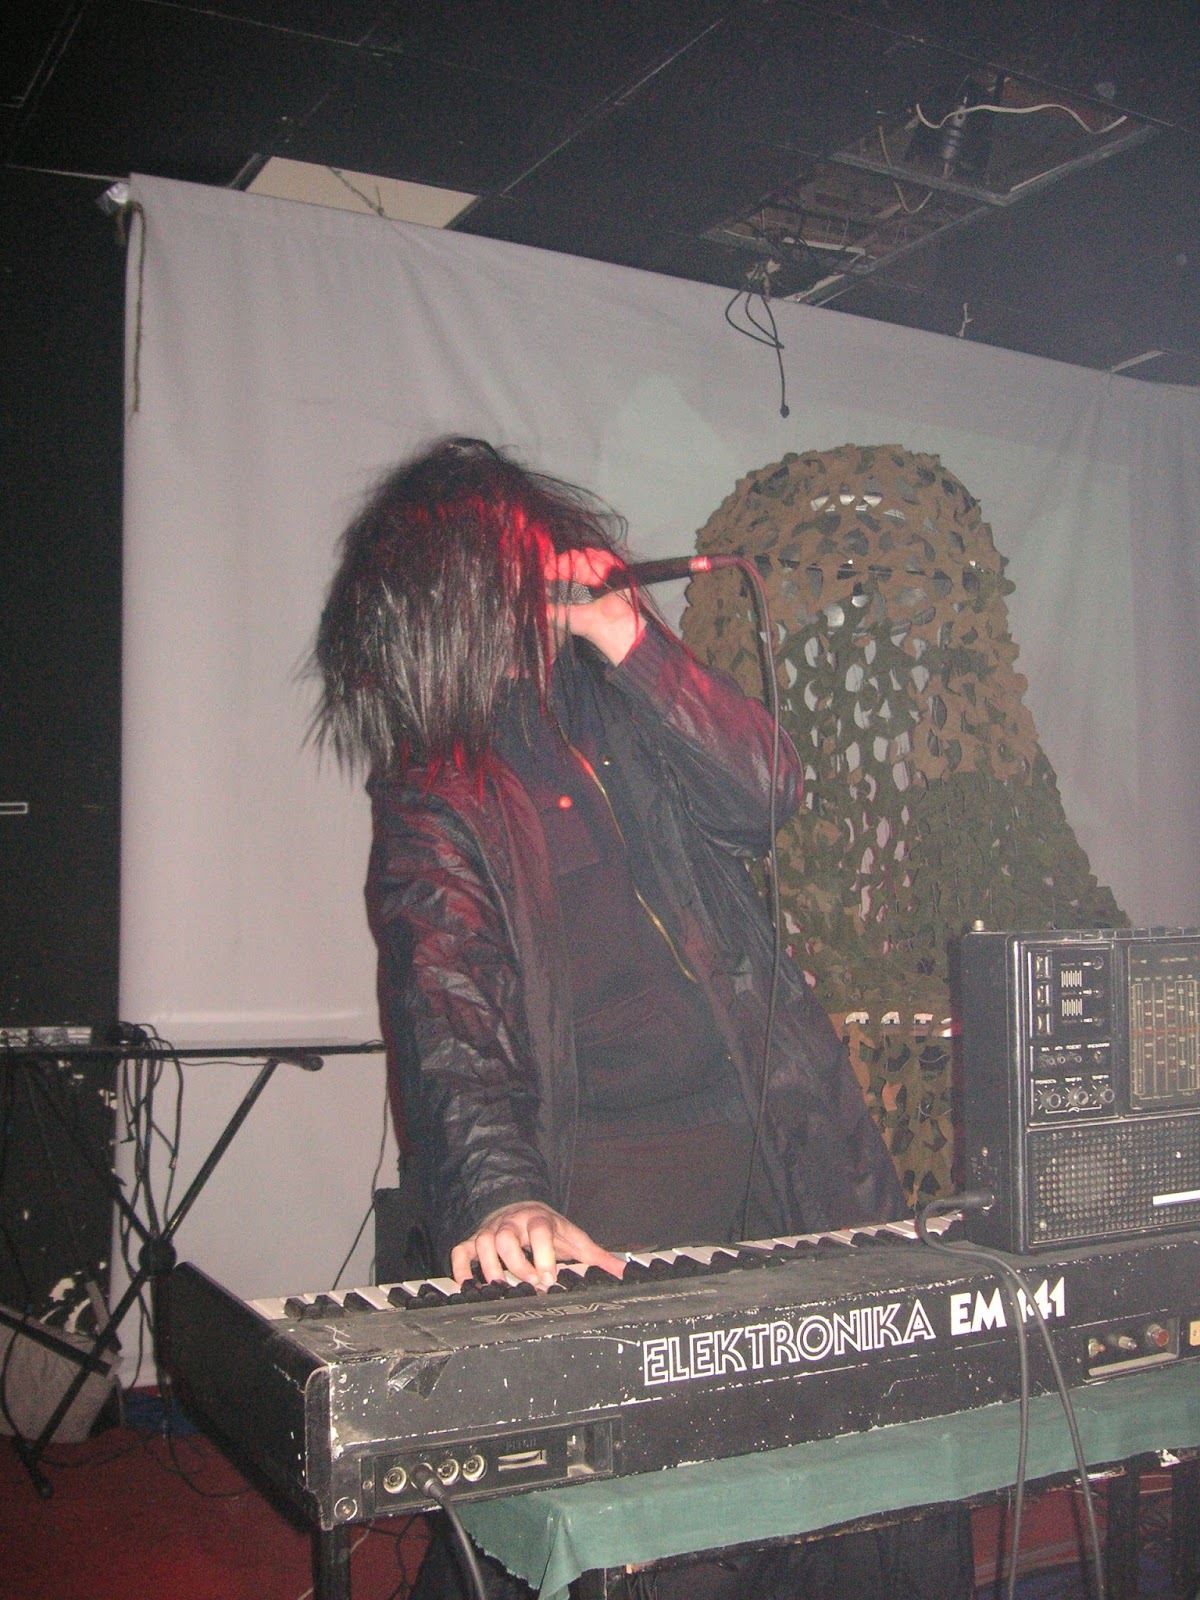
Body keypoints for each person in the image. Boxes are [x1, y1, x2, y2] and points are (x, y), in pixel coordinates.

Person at [311, 438, 970, 1599]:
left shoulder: (620, 704)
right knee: (662, 1532)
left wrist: (633, 637)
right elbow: (447, 1002)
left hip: (774, 1140)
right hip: (612, 1190)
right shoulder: (436, 787)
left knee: (852, 1478)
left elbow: (767, 792)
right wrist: (502, 1193)